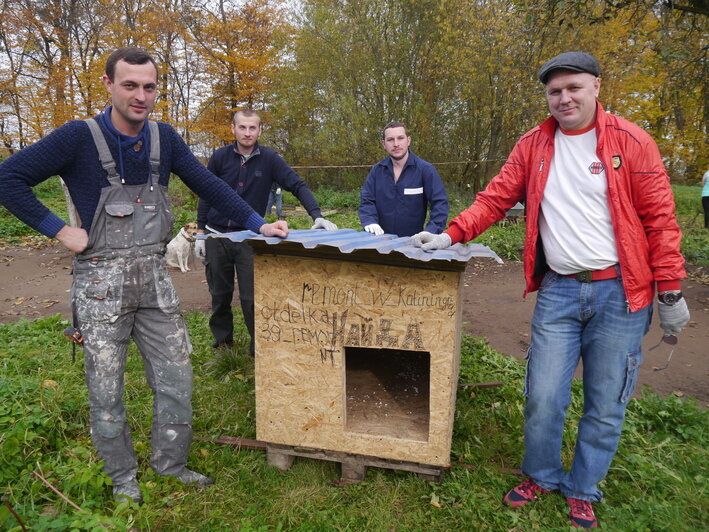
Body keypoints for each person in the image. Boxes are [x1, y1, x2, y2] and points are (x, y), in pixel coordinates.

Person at [411, 52, 690, 529]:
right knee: (542, 395)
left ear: (596, 87)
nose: (564, 98)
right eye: (555, 91)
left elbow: (660, 220)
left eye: (573, 88)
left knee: (606, 402)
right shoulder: (534, 145)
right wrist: (450, 235)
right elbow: (495, 197)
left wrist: (669, 291)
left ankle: (583, 488)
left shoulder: (632, 142)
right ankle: (540, 474)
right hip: (559, 292)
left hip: (620, 295)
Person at [0, 47, 288, 505]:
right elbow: (8, 178)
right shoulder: (78, 137)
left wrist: (258, 222)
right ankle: (122, 478)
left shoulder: (163, 139)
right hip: (99, 286)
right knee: (106, 387)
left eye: (149, 86)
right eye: (130, 85)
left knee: (177, 379)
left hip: (154, 279)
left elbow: (208, 184)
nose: (140, 95)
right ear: (109, 85)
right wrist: (59, 229)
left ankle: (170, 465)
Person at [194, 109, 337, 354]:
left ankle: (257, 348)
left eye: (252, 128)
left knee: (251, 298)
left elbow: (297, 184)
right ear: (233, 129)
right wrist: (200, 230)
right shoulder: (219, 157)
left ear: (260, 130)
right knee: (219, 294)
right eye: (242, 127)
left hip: (250, 237)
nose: (247, 133)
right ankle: (223, 344)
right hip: (216, 235)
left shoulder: (270, 159)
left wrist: (317, 215)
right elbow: (207, 192)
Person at [358, 121, 448, 237]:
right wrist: (369, 221)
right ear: (383, 144)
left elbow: (440, 204)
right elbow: (367, 200)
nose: (396, 144)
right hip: (379, 242)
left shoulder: (425, 170)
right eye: (390, 140)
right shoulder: (377, 171)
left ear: (408, 140)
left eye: (400, 138)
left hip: (413, 244)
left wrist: (430, 232)